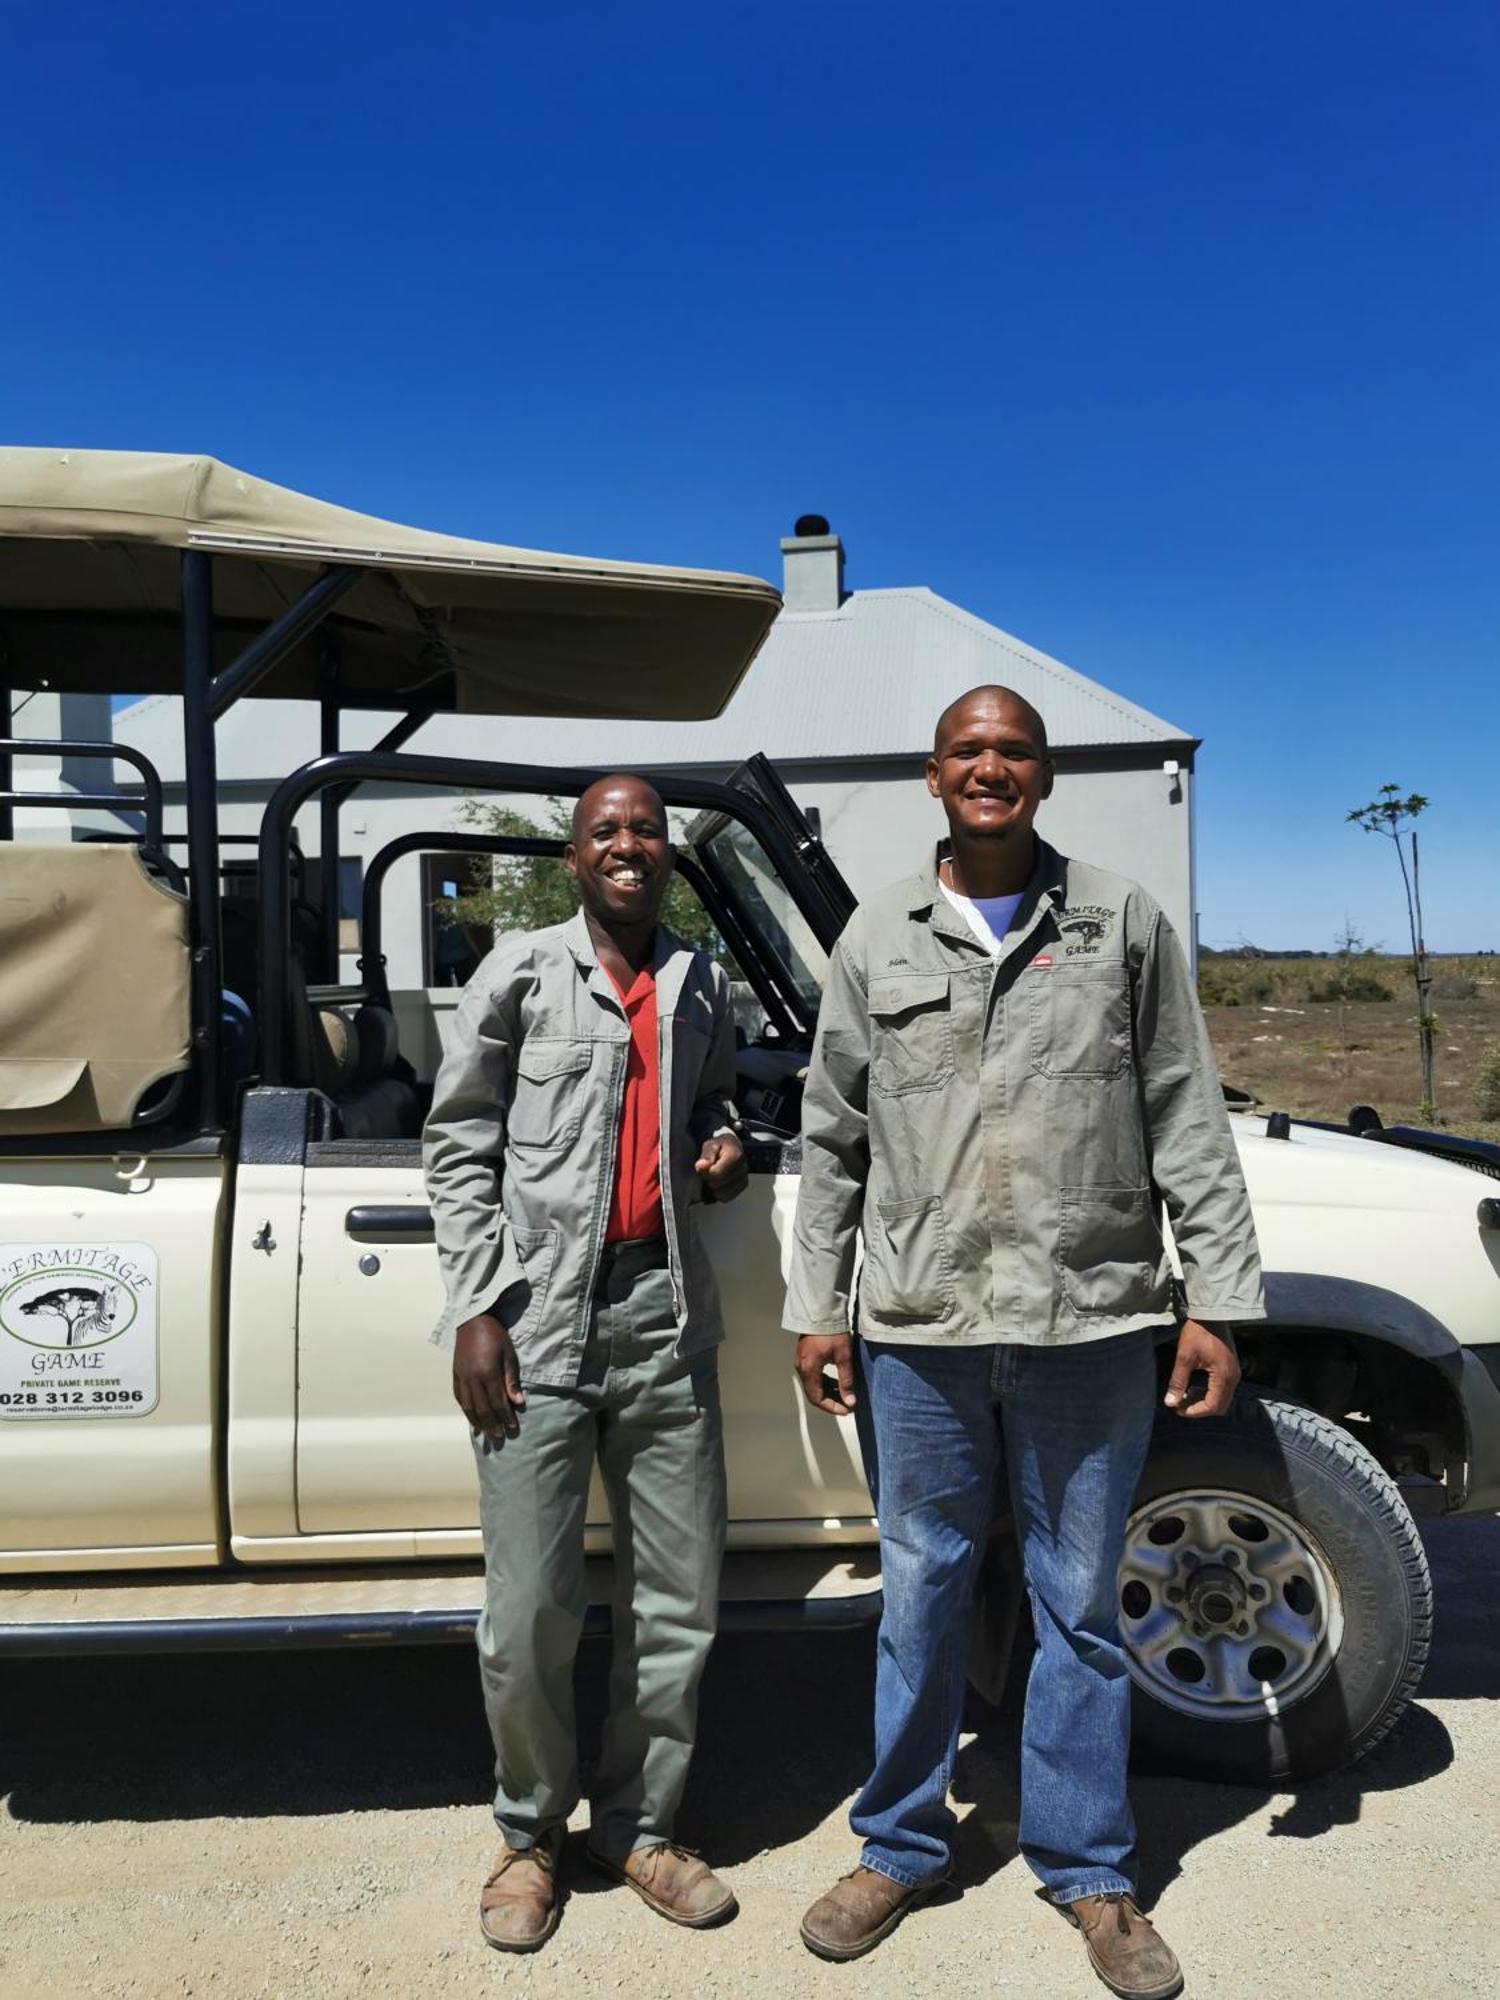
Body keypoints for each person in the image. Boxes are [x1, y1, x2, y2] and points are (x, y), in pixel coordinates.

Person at [784, 686, 1264, 1999]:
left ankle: (1093, 1872)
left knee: (1082, 1611)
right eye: (967, 750)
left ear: (1042, 776)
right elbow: (831, 1137)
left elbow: (1185, 1112)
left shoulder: (1118, 922)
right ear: (933, 775)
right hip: (921, 1331)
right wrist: (816, 1302)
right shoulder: (878, 933)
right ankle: (898, 1843)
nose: (989, 767)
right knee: (921, 1600)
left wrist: (1214, 1295)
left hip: (1089, 1323)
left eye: (1013, 750)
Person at [425, 774, 747, 1953]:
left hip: (666, 1314)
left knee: (677, 1601)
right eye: (606, 828)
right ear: (573, 855)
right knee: (527, 1611)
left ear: (666, 854)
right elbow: (459, 1140)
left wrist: (721, 1145)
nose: (630, 844)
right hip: (539, 1318)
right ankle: (527, 1834)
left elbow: (714, 1103)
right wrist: (478, 1304)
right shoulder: (520, 970)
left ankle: (642, 1827)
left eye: (647, 828)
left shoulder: (701, 979)